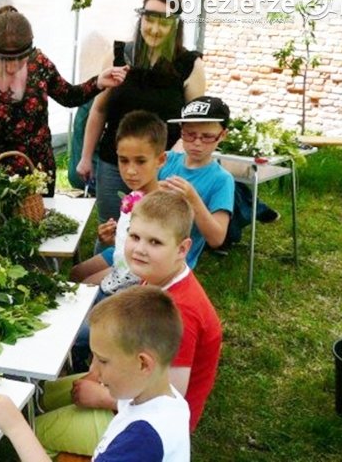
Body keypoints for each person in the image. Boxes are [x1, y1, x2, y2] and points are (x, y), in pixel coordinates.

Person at [34, 191, 221, 455]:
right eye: (134, 237)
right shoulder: (156, 276)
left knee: (37, 431)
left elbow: (172, 393)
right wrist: (95, 376)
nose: (140, 249)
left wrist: (100, 397)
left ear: (182, 249)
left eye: (155, 242)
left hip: (148, 425)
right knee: (50, 391)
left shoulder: (182, 312)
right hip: (132, 388)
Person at [0, 285, 190, 461]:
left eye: (103, 360)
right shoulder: (155, 395)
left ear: (143, 364)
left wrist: (16, 427)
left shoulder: (142, 440)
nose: (93, 370)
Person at [0, 5, 128, 194]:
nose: (12, 67)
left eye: (20, 59)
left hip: (41, 174)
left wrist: (98, 82)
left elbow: (69, 96)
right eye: (4, 60)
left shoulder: (39, 63)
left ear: (30, 51)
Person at [76, 0, 205, 247]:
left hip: (162, 168)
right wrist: (85, 157)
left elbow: (194, 125)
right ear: (141, 19)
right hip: (115, 163)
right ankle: (104, 284)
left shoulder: (190, 66)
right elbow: (99, 110)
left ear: (175, 25)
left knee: (154, 234)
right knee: (112, 229)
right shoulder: (119, 55)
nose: (155, 28)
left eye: (164, 21)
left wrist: (174, 160)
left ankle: (147, 286)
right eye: (150, 19)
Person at [70, 110, 167, 294]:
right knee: (76, 273)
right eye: (123, 160)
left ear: (160, 160)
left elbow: (152, 262)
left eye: (140, 161)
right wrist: (112, 239)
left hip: (135, 276)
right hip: (121, 257)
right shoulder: (135, 195)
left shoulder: (159, 208)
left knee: (83, 290)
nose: (130, 171)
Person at [159, 96, 235, 267]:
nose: (197, 143)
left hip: (172, 264)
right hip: (140, 246)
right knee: (86, 273)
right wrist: (154, 191)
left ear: (223, 135)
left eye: (207, 137)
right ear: (181, 132)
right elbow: (133, 199)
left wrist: (192, 199)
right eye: (189, 135)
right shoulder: (166, 160)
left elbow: (216, 239)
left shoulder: (222, 180)